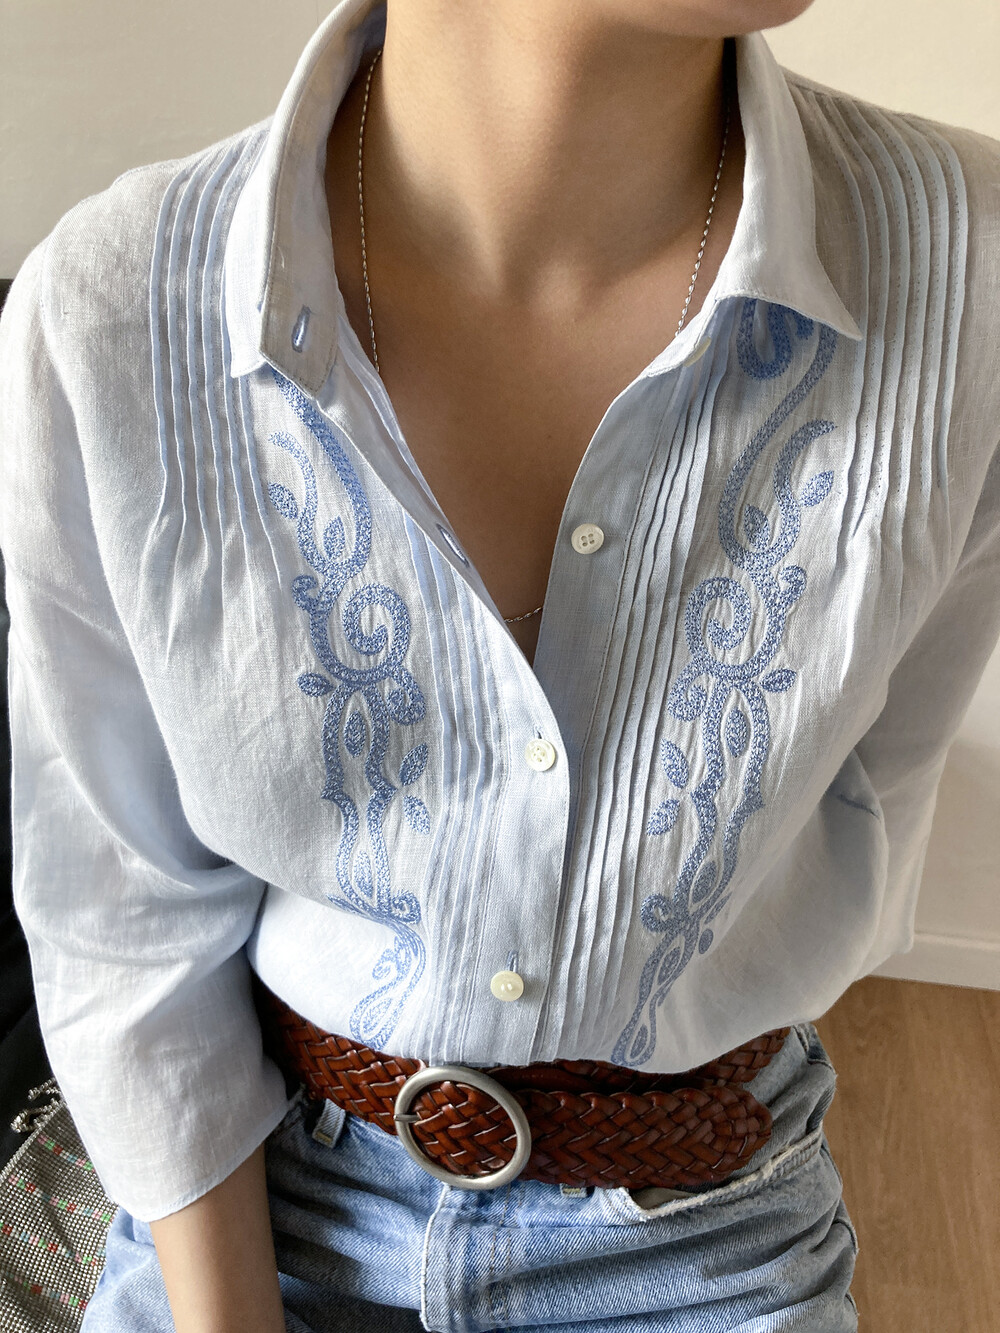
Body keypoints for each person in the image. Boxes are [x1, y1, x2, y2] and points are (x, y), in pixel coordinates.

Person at [2, 0, 999, 1327]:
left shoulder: (968, 276)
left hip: (707, 1227)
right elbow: (120, 910)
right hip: (254, 1203)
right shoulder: (112, 307)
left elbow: (862, 804)